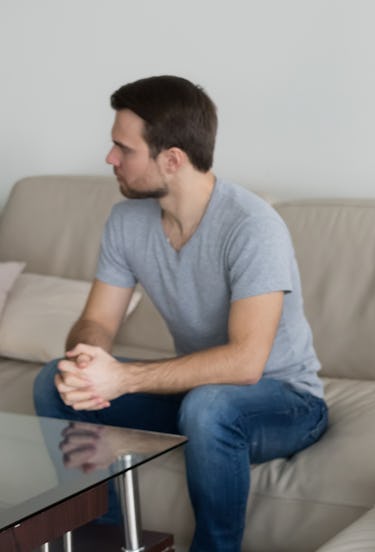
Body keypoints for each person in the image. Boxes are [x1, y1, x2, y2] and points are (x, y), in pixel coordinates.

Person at [33, 75, 328, 552]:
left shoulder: (252, 226)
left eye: (122, 149)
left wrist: (122, 380)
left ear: (172, 160)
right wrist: (87, 360)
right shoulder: (127, 221)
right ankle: (101, 536)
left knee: (210, 405)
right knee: (54, 380)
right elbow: (100, 321)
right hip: (195, 396)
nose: (110, 159)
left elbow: (245, 363)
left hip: (284, 402)